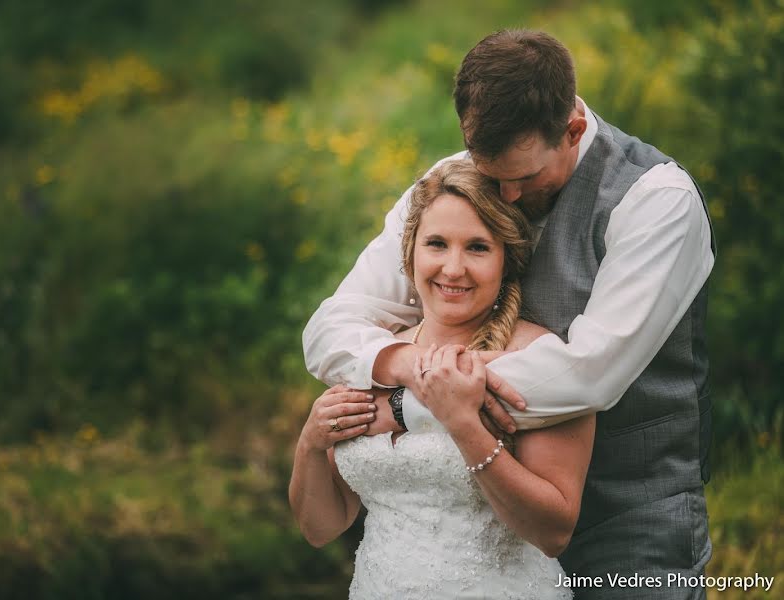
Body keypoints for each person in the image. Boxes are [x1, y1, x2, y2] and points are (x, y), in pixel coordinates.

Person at [302, 30, 714, 599]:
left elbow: (587, 374)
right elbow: (330, 328)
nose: (506, 197)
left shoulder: (655, 199)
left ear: (572, 129)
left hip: (631, 521)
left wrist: (401, 404)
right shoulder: (453, 182)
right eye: (490, 172)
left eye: (522, 178)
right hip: (492, 524)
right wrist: (404, 365)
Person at [290, 160, 592, 598]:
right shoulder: (374, 356)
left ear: (507, 260)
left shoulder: (538, 358)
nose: (453, 269)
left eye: (477, 248)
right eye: (436, 244)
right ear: (410, 252)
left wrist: (464, 425)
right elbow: (322, 528)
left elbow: (553, 532)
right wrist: (311, 443)